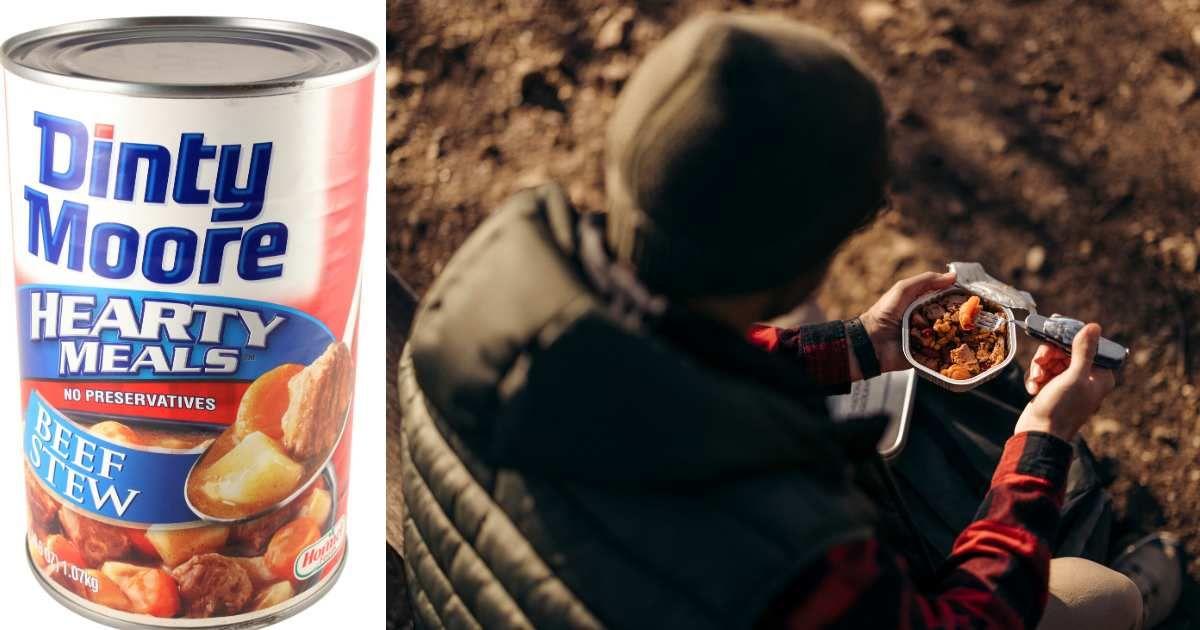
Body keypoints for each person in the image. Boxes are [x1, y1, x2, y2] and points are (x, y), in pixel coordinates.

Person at [396, 13, 1181, 629]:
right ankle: (1148, 595)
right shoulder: (789, 543)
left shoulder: (475, 296)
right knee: (1102, 597)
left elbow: (653, 369)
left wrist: (853, 347)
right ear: (806, 260)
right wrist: (1043, 442)